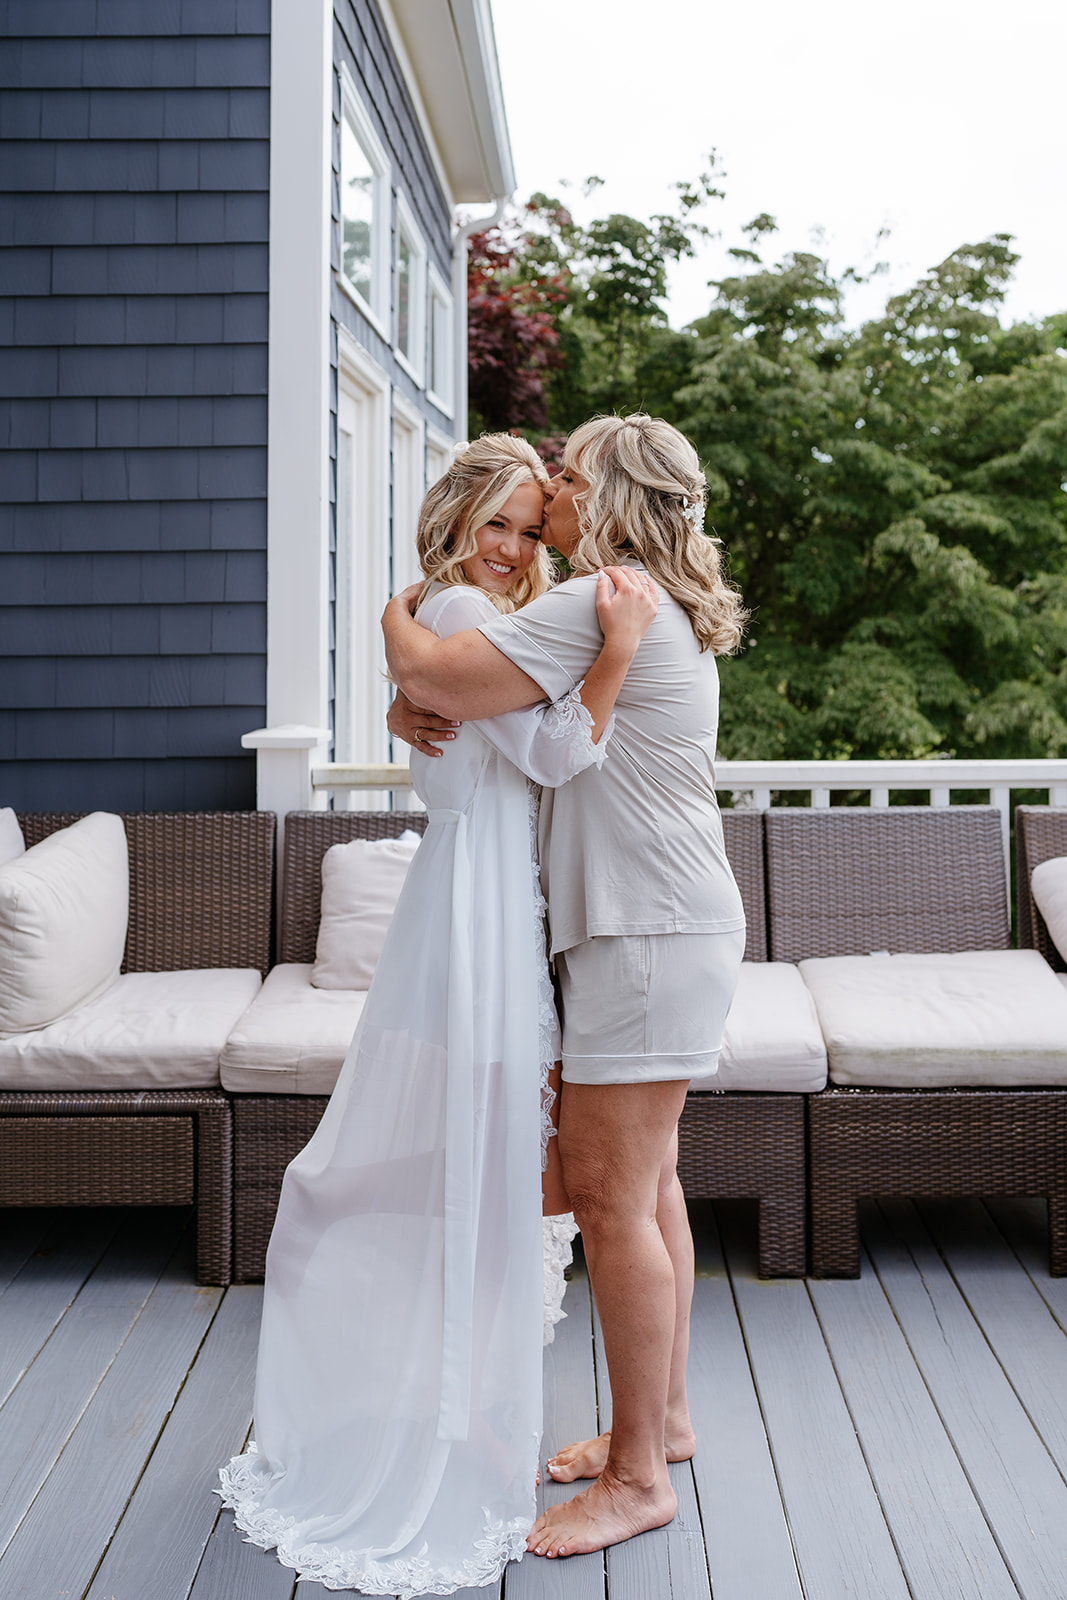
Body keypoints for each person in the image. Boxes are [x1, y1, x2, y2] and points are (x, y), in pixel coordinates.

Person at [218, 433, 657, 1596]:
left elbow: (461, 717)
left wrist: (405, 668)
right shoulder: (464, 605)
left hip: (471, 896)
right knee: (502, 1154)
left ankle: (462, 1397)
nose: (514, 549)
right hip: (477, 909)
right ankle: (464, 1414)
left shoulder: (445, 615)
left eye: (529, 526)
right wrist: (613, 651)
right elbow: (562, 752)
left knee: (506, 1151)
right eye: (497, 523)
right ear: (458, 518)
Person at [383, 414, 747, 1560]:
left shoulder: (598, 601)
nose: (551, 494)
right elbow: (484, 720)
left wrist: (401, 613)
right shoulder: (650, 606)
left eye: (569, 478)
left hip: (641, 932)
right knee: (647, 1190)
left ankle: (637, 1476)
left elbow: (436, 666)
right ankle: (666, 1422)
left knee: (604, 1198)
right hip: (660, 925)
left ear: (613, 495)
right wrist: (418, 708)